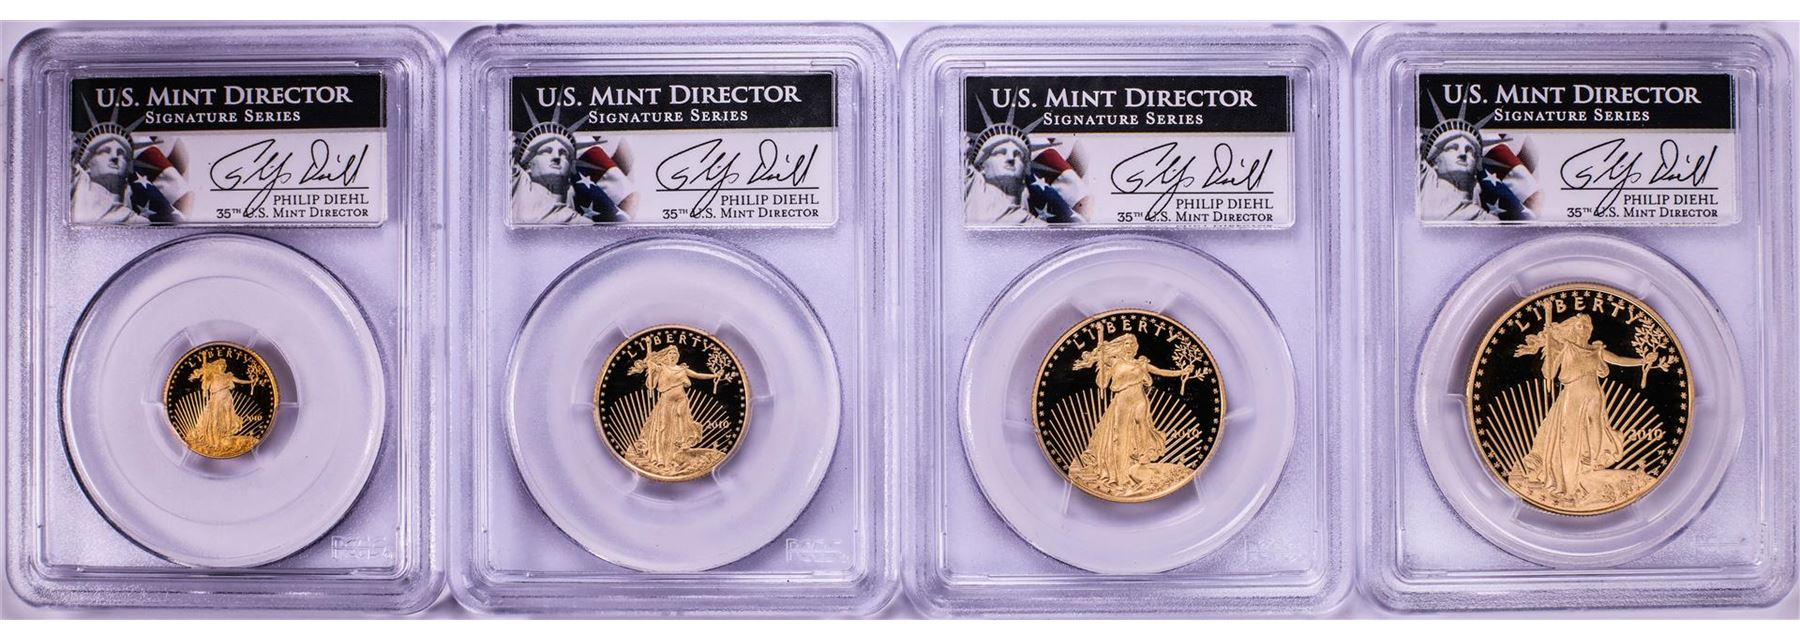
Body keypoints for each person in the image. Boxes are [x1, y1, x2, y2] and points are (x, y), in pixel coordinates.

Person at [1510, 314, 1654, 506]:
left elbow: (1619, 360)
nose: (1584, 329)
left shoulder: (1596, 350)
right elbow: (1549, 373)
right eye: (1580, 326)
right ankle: (1567, 485)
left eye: (1587, 326)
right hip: (1573, 396)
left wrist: (1643, 361)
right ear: (1572, 328)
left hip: (1594, 395)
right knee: (1568, 438)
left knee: (1595, 427)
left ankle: (1590, 461)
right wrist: (1552, 349)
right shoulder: (1565, 347)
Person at [1067, 333, 1193, 498]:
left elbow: (1161, 371)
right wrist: (1102, 364)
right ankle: (1120, 475)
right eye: (1126, 343)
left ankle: (1142, 455)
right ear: (1122, 345)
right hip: (1123, 400)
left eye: (1132, 344)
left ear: (1135, 347)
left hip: (1140, 398)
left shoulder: (1141, 363)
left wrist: (1182, 371)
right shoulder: (1114, 361)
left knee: (1142, 422)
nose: (1129, 346)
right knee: (1119, 436)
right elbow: (1102, 384)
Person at [628, 346, 721, 475]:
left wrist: (714, 375)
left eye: (675, 354)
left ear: (677, 356)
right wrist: (651, 369)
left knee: (682, 424)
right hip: (666, 402)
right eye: (671, 353)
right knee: (664, 428)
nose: (673, 356)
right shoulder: (661, 368)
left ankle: (680, 447)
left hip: (681, 400)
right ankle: (663, 460)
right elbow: (651, 383)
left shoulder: (682, 369)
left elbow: (698, 375)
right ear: (666, 355)